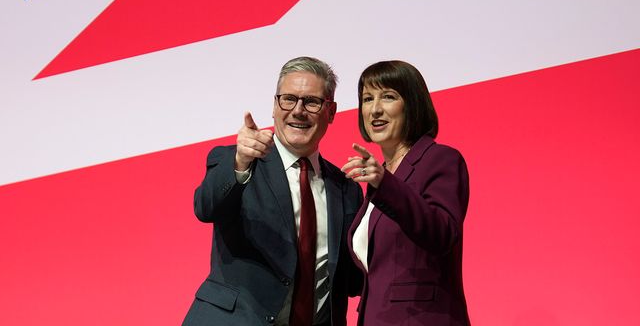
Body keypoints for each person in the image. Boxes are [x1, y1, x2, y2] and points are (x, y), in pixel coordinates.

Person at [183, 56, 363, 326]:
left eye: (311, 102)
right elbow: (206, 207)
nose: (298, 111)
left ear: (332, 111)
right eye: (288, 99)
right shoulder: (239, 161)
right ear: (274, 105)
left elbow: (353, 281)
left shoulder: (346, 189)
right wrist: (240, 162)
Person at [341, 61, 470, 325]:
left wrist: (385, 183)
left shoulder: (440, 159)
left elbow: (442, 233)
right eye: (367, 98)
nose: (375, 109)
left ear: (412, 104)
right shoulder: (380, 178)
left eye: (388, 96)